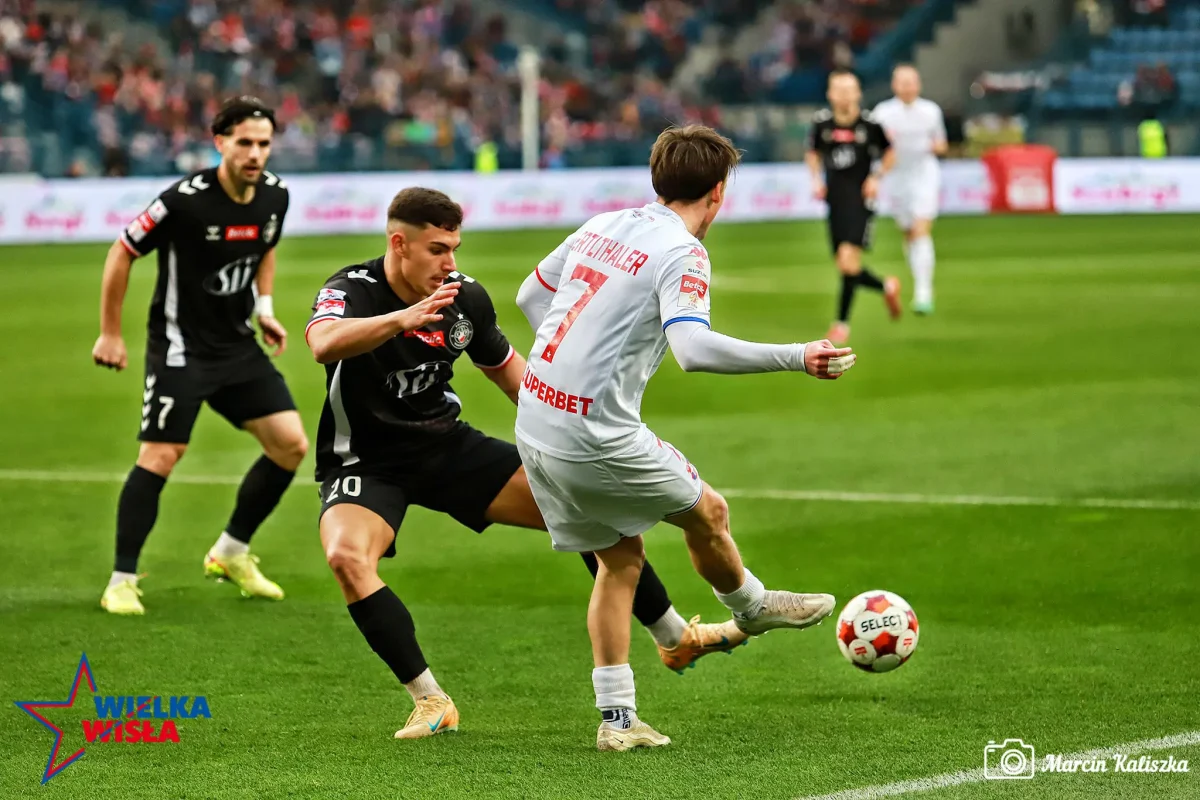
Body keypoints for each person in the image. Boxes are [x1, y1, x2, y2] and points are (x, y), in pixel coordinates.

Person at [304, 187, 747, 741]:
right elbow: (323, 343)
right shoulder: (351, 288)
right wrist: (401, 319)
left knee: (597, 522)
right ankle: (430, 699)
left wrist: (573, 436)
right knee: (346, 557)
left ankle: (675, 637)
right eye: (438, 250)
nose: (450, 264)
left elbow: (510, 373)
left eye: (455, 248)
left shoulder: (463, 297)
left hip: (447, 447)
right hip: (365, 460)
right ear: (399, 244)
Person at [514, 125, 854, 752]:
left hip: (535, 416)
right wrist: (796, 355)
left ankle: (618, 721)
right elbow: (693, 349)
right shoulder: (683, 251)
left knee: (619, 560)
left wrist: (572, 364)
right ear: (718, 192)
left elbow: (530, 295)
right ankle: (752, 606)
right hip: (594, 432)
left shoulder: (604, 224)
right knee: (709, 513)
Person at [92, 96, 306, 615]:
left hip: (237, 346)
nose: (255, 153)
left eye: (263, 143)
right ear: (220, 143)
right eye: (244, 143)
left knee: (290, 445)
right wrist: (110, 334)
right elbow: (123, 250)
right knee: (161, 455)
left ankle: (230, 552)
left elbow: (265, 247)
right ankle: (121, 581)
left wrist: (265, 308)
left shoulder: (275, 194)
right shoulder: (184, 200)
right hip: (181, 348)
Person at [806, 70, 901, 345]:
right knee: (844, 265)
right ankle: (886, 286)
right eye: (839, 90)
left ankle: (841, 325)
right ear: (830, 94)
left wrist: (876, 177)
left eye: (849, 90)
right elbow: (812, 153)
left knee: (848, 261)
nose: (844, 96)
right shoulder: (822, 124)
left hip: (861, 202)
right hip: (835, 202)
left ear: (858, 93)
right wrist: (815, 179)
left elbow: (890, 152)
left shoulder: (870, 125)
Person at [873, 65, 948, 315]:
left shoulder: (931, 111)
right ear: (894, 85)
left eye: (912, 82)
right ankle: (919, 276)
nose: (908, 88)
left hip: (924, 174)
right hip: (896, 176)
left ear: (919, 84)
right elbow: (874, 146)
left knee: (920, 228)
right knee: (908, 232)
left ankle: (924, 292)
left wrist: (930, 146)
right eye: (903, 83)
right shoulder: (883, 113)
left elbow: (942, 144)